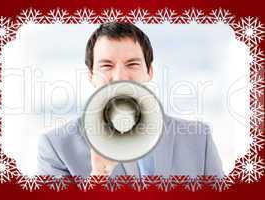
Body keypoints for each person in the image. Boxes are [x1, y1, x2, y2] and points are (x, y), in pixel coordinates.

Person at [37, 22, 223, 177]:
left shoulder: (199, 140)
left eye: (132, 64)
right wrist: (98, 176)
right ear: (91, 75)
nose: (119, 77)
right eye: (106, 65)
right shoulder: (56, 147)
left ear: (149, 71)